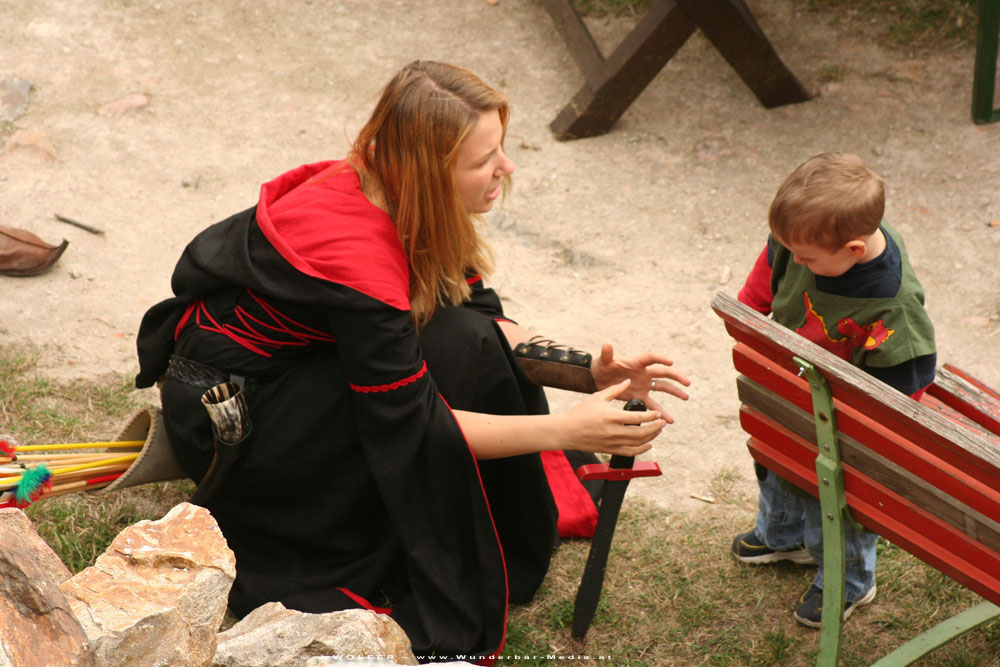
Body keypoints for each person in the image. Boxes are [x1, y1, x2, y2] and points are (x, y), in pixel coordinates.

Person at [134, 60, 690, 662]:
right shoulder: (356, 257)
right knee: (451, 363)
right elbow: (415, 429)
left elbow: (477, 314)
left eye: (501, 149)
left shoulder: (394, 186)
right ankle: (348, 526)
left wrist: (587, 371)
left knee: (465, 338)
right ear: (429, 169)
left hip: (293, 375)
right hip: (241, 423)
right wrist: (565, 429)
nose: (505, 169)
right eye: (484, 160)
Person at [730, 152, 936, 627]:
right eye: (791, 249)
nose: (794, 260)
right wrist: (751, 305)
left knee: (838, 499)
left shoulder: (893, 310)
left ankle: (849, 581)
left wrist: (862, 444)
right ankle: (783, 537)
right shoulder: (810, 238)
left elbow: (901, 392)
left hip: (847, 418)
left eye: (805, 258)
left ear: (854, 250)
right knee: (775, 456)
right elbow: (774, 255)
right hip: (798, 387)